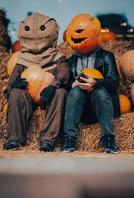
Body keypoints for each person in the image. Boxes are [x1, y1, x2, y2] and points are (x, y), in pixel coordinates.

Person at [3, 12, 69, 151]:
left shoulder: (57, 57)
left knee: (61, 93)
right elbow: (11, 84)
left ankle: (48, 139)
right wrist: (13, 85)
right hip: (28, 96)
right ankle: (15, 138)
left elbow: (63, 73)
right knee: (15, 93)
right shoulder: (22, 59)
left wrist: (53, 86)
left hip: (48, 96)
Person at [61, 14, 120, 153]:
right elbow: (65, 84)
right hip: (80, 109)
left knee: (99, 92)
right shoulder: (71, 61)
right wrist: (72, 84)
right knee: (75, 91)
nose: (77, 34)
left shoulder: (106, 56)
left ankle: (108, 140)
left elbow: (114, 82)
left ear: (96, 34)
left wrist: (96, 83)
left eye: (82, 31)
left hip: (100, 107)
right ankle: (69, 139)